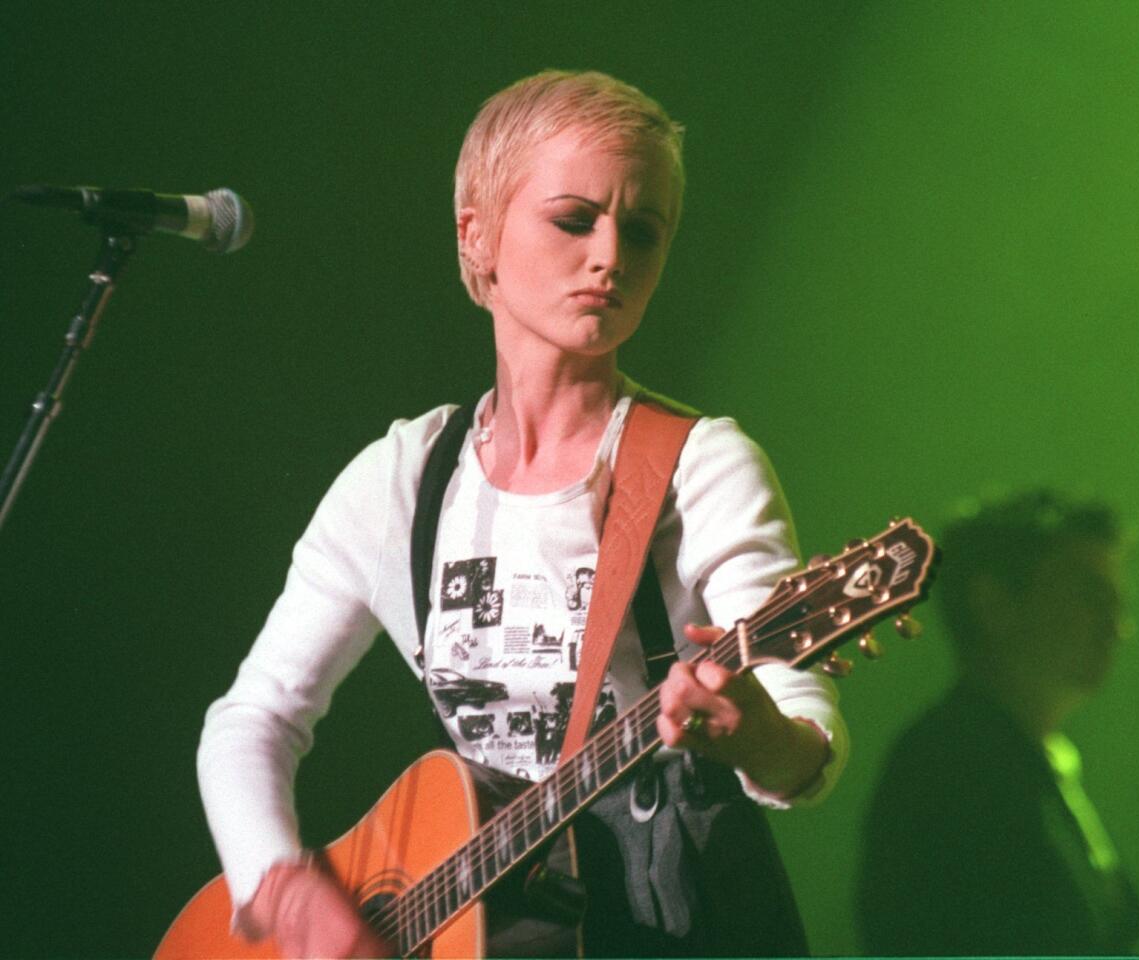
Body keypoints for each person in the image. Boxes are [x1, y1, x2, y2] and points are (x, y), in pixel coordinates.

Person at [197, 70, 846, 958]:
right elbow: (252, 718)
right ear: (477, 235)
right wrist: (281, 885)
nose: (610, 254)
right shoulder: (401, 480)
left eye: (643, 230)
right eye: (574, 219)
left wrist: (763, 737)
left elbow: (803, 737)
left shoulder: (699, 465)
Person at [855, 489, 1139, 955]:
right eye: (1090, 596)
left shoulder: (1027, 758)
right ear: (993, 604)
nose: (1117, 625)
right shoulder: (947, 769)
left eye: (1117, 602)